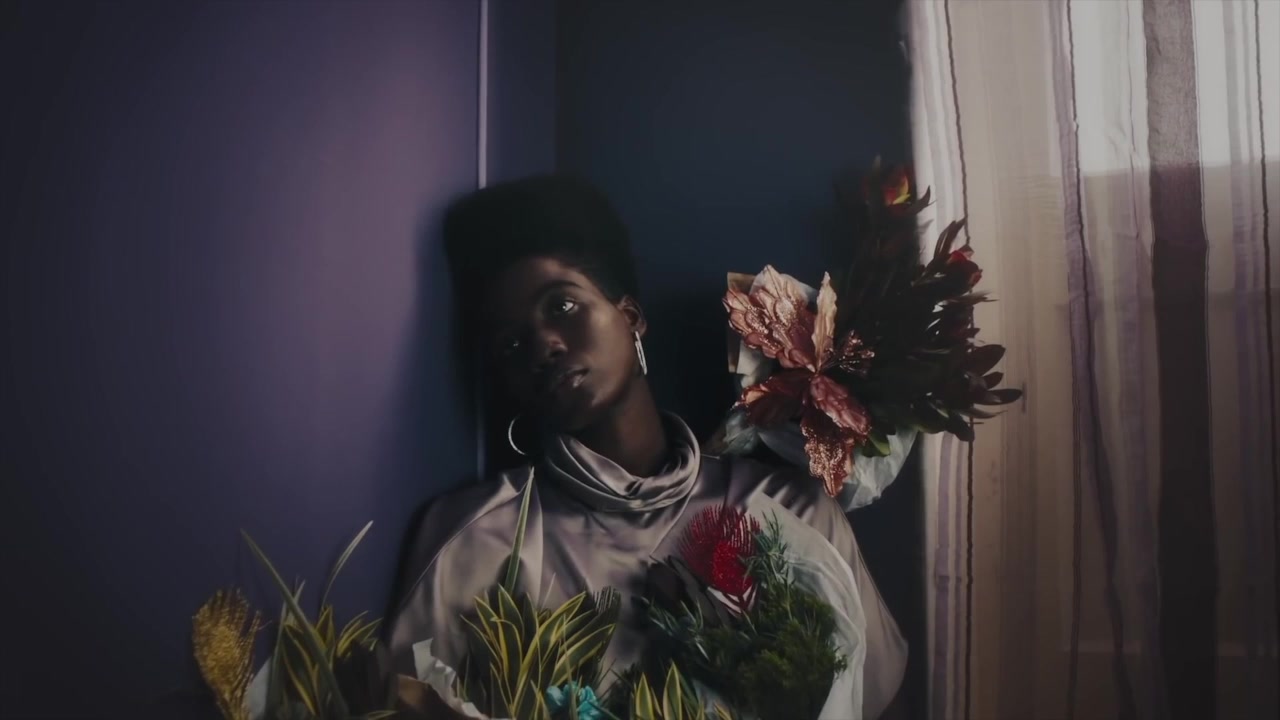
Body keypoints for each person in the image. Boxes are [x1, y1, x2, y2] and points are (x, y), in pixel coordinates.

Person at [386, 174, 907, 718]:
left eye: (562, 307)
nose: (544, 345)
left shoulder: (792, 511)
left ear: (631, 317)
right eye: (512, 342)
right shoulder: (475, 542)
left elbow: (876, 700)